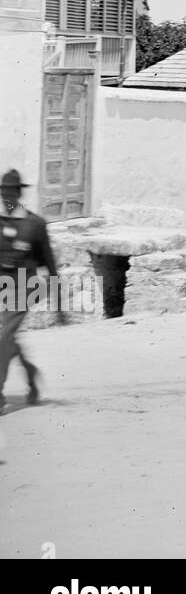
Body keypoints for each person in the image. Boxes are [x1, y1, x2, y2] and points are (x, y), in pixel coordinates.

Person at [1, 169, 64, 416]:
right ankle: (30, 373)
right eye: (3, 192)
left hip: (25, 286)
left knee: (4, 337)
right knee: (6, 339)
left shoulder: (34, 225)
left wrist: (59, 302)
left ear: (19, 193)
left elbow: (49, 263)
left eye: (11, 192)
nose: (7, 196)